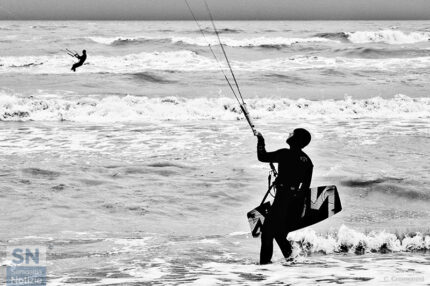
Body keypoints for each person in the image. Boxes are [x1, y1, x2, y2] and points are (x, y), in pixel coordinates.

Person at [256, 128, 313, 264]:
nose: (289, 134)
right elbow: (305, 189)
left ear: (296, 139)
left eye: (292, 133)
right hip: (295, 204)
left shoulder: (284, 154)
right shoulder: (308, 162)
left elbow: (262, 157)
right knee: (278, 233)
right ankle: (292, 261)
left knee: (268, 234)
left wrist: (260, 141)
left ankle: (265, 266)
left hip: (282, 201)